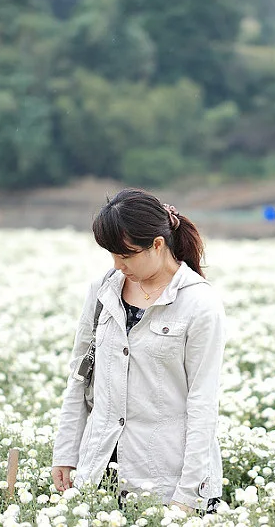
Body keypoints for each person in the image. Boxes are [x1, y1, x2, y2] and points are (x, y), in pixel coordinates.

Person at [51, 188, 226, 514]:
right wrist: (66, 453)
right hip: (100, 474)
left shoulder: (199, 303)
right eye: (112, 255)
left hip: (164, 480)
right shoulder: (103, 290)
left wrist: (187, 495)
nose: (118, 265)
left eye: (126, 255)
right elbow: (80, 375)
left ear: (157, 245)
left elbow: (203, 402)